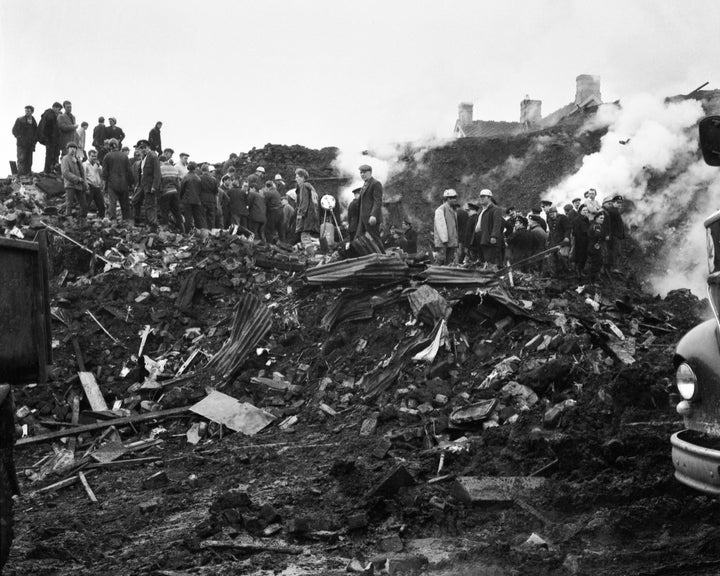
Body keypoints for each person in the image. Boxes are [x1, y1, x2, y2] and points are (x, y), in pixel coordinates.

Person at [102, 138, 134, 222]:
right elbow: (129, 171)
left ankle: (113, 220)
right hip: (123, 183)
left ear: (110, 146)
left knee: (112, 202)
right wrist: (131, 183)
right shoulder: (124, 156)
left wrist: (104, 186)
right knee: (125, 202)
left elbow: (104, 173)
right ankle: (126, 220)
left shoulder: (107, 156)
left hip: (112, 183)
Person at [132, 139, 161, 228]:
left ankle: (153, 225)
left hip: (149, 185)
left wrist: (154, 186)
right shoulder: (143, 158)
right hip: (142, 185)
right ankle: (137, 220)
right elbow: (141, 173)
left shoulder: (153, 156)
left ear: (148, 147)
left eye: (145, 147)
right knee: (135, 201)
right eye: (141, 148)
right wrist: (138, 185)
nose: (143, 149)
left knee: (150, 205)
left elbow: (157, 173)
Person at [473, 189, 504, 267]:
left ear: (489, 198)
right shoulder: (481, 211)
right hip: (480, 238)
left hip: (488, 239)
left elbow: (497, 224)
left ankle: (492, 274)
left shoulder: (495, 209)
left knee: (490, 260)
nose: (481, 198)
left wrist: (494, 236)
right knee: (483, 260)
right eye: (480, 197)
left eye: (484, 197)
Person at [60, 142, 88, 224]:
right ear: (68, 149)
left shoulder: (78, 159)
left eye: (74, 148)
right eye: (71, 148)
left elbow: (82, 172)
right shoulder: (65, 159)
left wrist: (84, 183)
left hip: (79, 185)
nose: (73, 150)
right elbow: (65, 172)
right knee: (69, 204)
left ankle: (82, 220)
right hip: (70, 185)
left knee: (83, 204)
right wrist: (77, 178)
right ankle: (69, 222)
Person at [294, 168, 319, 252]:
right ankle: (310, 255)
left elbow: (303, 202)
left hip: (306, 217)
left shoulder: (304, 187)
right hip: (311, 216)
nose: (296, 179)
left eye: (297, 177)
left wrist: (300, 215)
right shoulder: (310, 188)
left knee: (305, 238)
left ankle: (312, 257)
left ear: (302, 178)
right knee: (306, 237)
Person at [355, 164, 383, 240]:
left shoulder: (375, 183)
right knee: (359, 239)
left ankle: (381, 252)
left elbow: (377, 201)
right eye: (361, 172)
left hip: (370, 218)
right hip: (362, 218)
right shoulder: (365, 184)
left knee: (375, 238)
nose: (362, 174)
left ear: (370, 172)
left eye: (364, 172)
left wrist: (373, 215)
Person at [158, 154, 184, 232]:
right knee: (177, 212)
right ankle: (182, 230)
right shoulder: (174, 169)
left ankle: (166, 231)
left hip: (165, 192)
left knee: (164, 212)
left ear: (160, 161)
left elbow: (159, 182)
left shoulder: (160, 169)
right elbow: (178, 184)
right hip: (174, 192)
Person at [434, 189, 459, 264]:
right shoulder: (441, 210)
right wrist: (444, 240)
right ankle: (437, 272)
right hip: (444, 242)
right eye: (453, 198)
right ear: (448, 199)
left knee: (449, 260)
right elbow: (440, 226)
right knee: (441, 258)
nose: (455, 200)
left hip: (451, 241)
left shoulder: (452, 210)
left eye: (455, 198)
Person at [602, 195, 626, 271]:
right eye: (618, 202)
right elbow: (609, 225)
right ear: (613, 202)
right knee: (615, 251)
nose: (619, 204)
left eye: (620, 203)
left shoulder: (615, 211)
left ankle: (613, 267)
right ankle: (613, 267)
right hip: (614, 235)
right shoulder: (612, 211)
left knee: (616, 251)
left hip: (617, 235)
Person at [12, 105, 37, 177]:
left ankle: (28, 173)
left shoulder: (34, 121)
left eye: (28, 111)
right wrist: (19, 137)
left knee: (29, 159)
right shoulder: (20, 120)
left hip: (30, 144)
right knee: (21, 159)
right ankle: (21, 175)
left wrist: (34, 141)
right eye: (26, 111)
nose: (27, 112)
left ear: (32, 112)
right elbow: (14, 131)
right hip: (21, 144)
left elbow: (36, 132)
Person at [37, 102, 62, 174]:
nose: (58, 111)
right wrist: (50, 137)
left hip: (48, 138)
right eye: (58, 109)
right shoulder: (51, 115)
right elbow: (49, 128)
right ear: (55, 107)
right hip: (50, 139)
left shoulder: (47, 113)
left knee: (49, 154)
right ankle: (47, 171)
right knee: (50, 155)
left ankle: (48, 170)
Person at [547, 206, 572, 276]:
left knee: (562, 256)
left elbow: (568, 228)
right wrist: (549, 240)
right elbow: (551, 232)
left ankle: (568, 272)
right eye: (550, 214)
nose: (552, 216)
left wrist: (566, 237)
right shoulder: (549, 220)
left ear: (556, 213)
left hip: (563, 241)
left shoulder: (562, 218)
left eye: (553, 214)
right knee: (553, 258)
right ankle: (558, 274)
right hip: (554, 242)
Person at [180, 162, 204, 231]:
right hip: (197, 200)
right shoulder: (198, 178)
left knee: (188, 217)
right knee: (197, 217)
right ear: (194, 169)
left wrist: (181, 197)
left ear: (188, 169)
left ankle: (187, 231)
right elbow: (200, 190)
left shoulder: (185, 177)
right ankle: (199, 231)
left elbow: (182, 189)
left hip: (187, 200)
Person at [83, 149, 105, 218]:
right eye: (92, 156)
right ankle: (83, 219)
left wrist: (98, 166)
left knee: (101, 204)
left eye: (95, 156)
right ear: (89, 156)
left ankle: (101, 219)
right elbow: (83, 176)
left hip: (97, 186)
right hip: (89, 185)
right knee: (86, 204)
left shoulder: (97, 165)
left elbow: (102, 174)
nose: (94, 158)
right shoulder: (85, 164)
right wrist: (86, 187)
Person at [572, 204, 591, 279]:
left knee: (584, 256)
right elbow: (576, 232)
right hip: (580, 241)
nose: (585, 212)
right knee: (579, 256)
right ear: (580, 211)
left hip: (586, 240)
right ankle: (578, 272)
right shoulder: (577, 220)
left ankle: (581, 270)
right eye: (584, 210)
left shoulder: (586, 219)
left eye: (586, 210)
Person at [587, 211, 606, 281]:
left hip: (592, 246)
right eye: (601, 218)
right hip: (594, 247)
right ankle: (593, 280)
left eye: (603, 218)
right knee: (596, 263)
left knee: (596, 262)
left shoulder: (593, 224)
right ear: (596, 218)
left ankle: (594, 278)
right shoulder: (597, 226)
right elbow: (597, 235)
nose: (602, 220)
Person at [197, 164, 218, 229]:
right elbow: (216, 192)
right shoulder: (214, 179)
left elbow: (197, 190)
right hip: (212, 200)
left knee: (203, 218)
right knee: (211, 219)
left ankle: (205, 234)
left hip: (202, 200)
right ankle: (212, 234)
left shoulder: (199, 178)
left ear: (201, 170)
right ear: (208, 170)